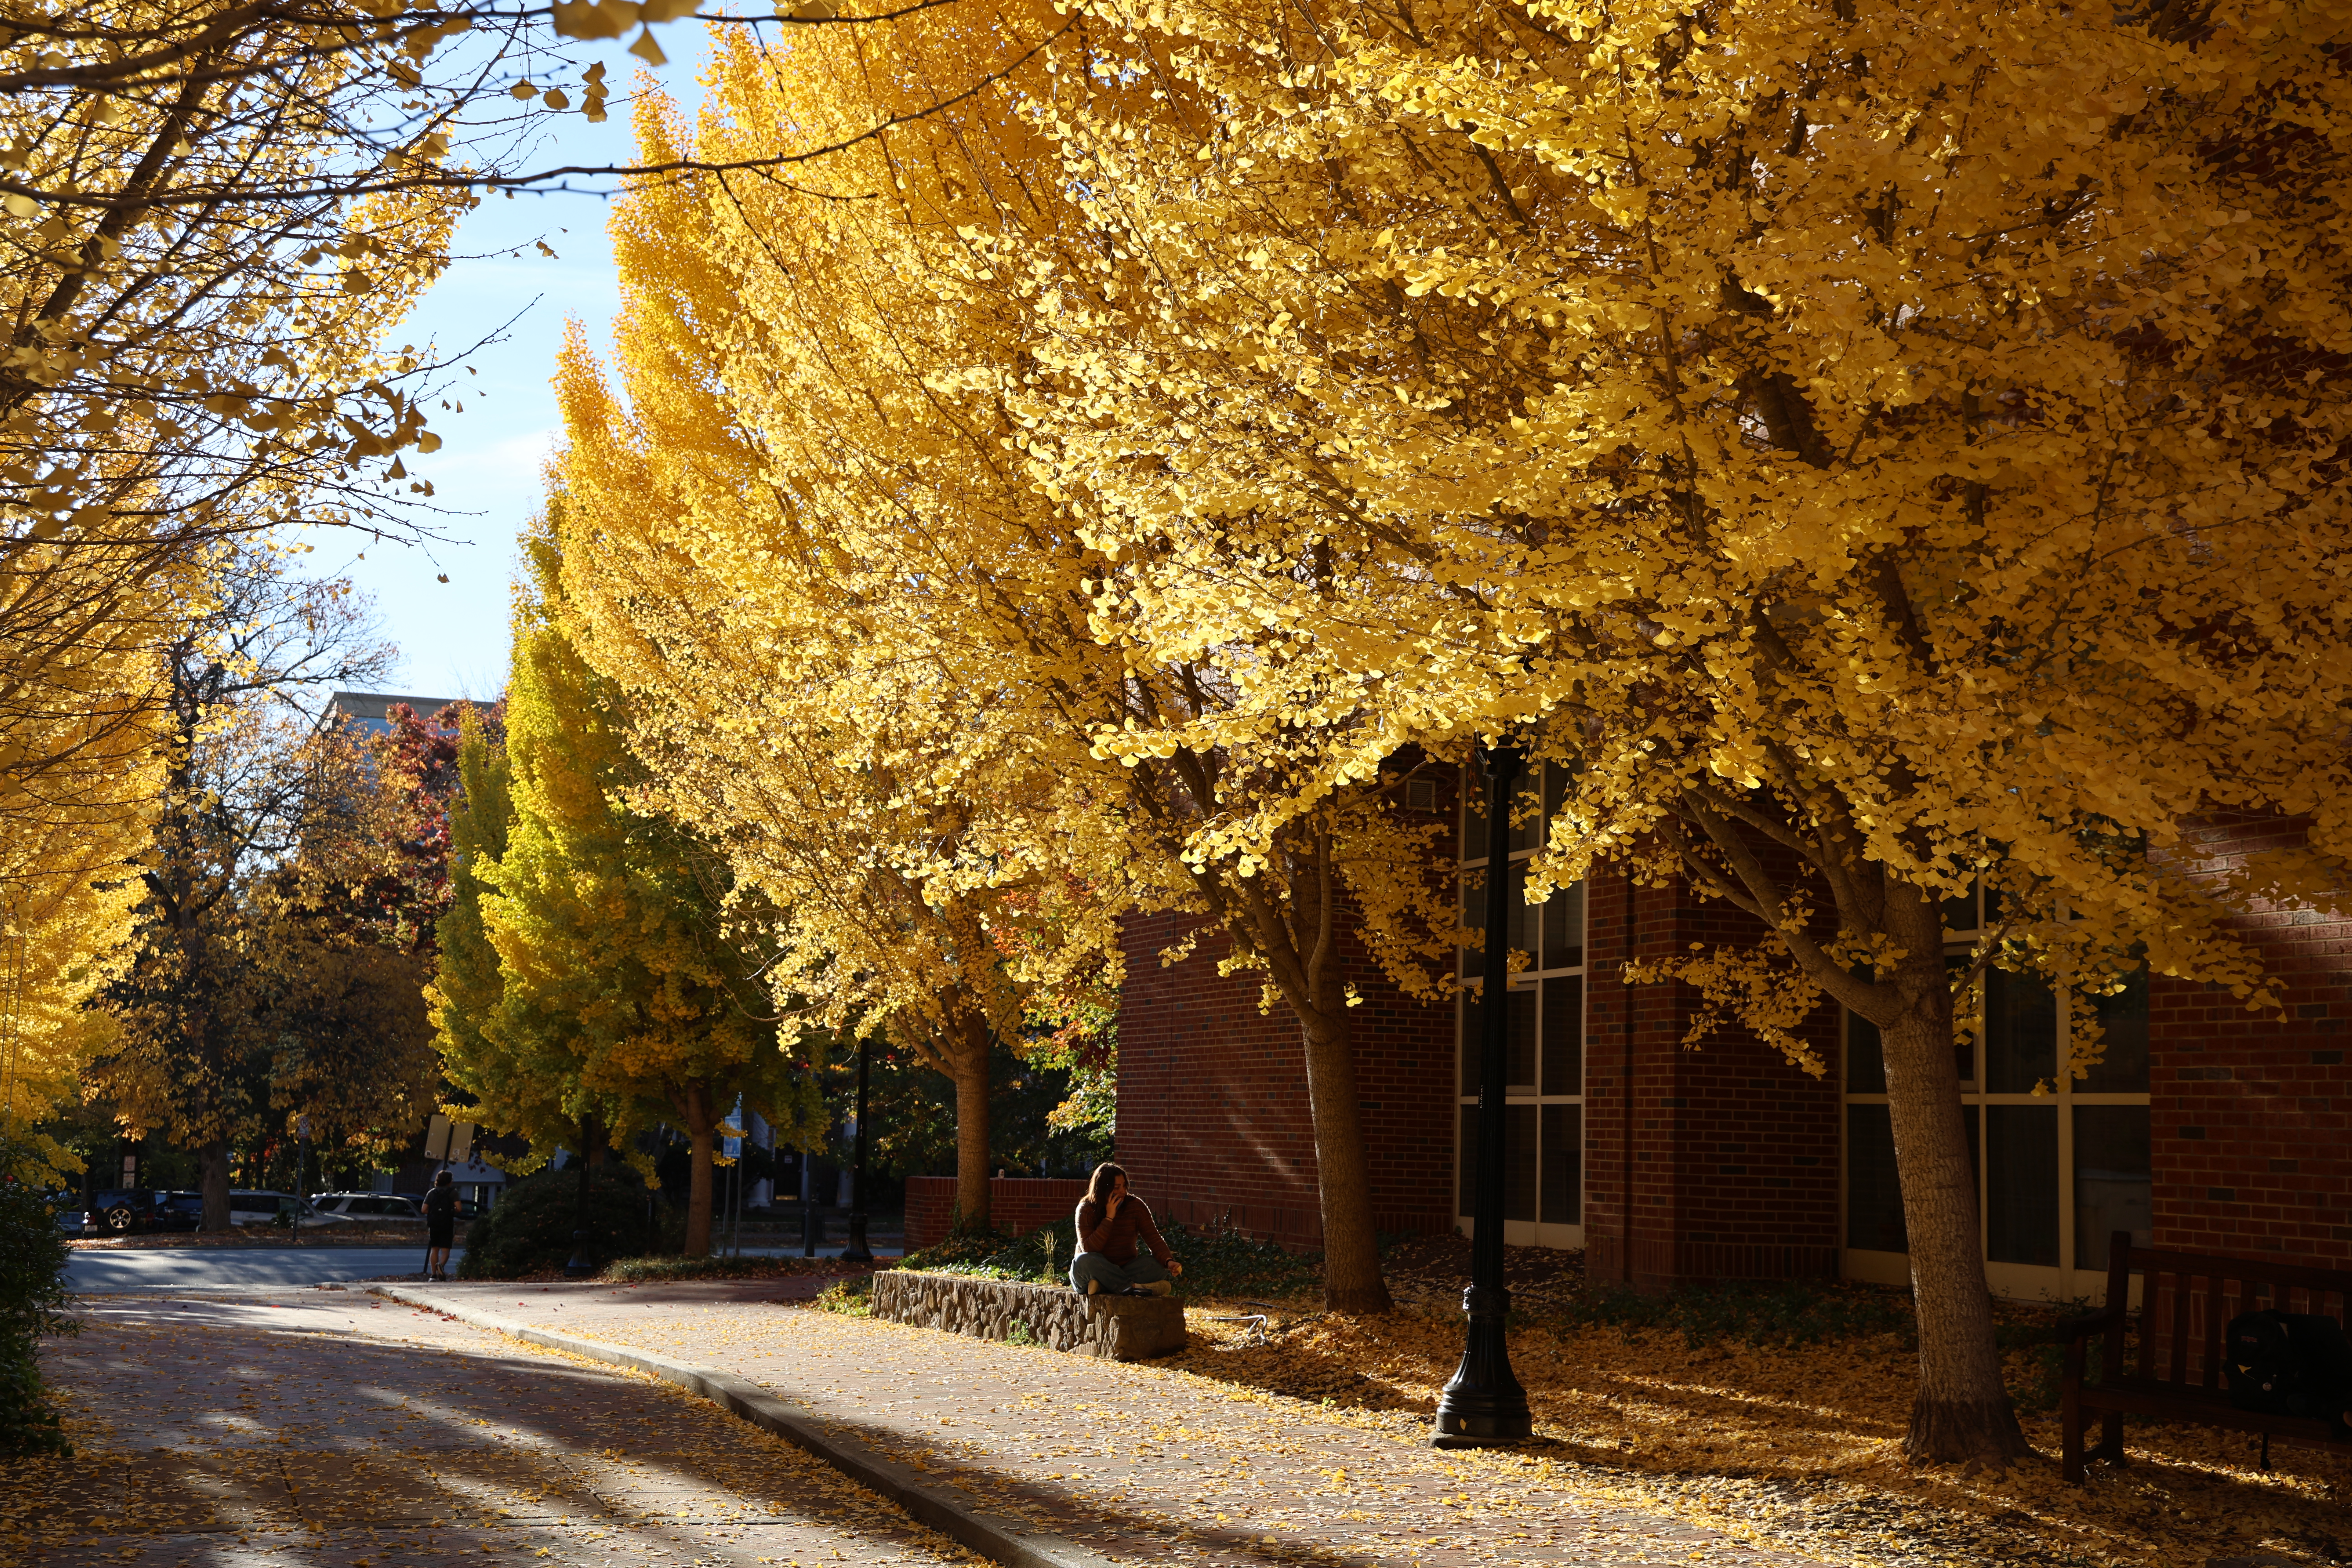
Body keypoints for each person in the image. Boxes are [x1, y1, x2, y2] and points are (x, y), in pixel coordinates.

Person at [1069, 1162, 1182, 1297]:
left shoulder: (1135, 1206)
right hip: (1094, 1269)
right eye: (1117, 1188)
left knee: (1158, 1264)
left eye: (1124, 1186)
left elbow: (1153, 1237)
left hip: (1125, 1269)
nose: (1123, 1191)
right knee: (1082, 1261)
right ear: (1103, 1189)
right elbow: (1089, 1248)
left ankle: (1103, 1286)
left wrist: (1169, 1262)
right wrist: (1109, 1218)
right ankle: (1133, 1287)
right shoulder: (1086, 1209)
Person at [423, 1171, 458, 1281]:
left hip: (434, 1225)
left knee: (435, 1249)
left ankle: (433, 1275)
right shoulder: (453, 1193)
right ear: (450, 1181)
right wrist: (452, 1211)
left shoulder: (432, 1193)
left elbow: (424, 1210)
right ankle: (441, 1265)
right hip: (447, 1224)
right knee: (446, 1250)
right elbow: (460, 1208)